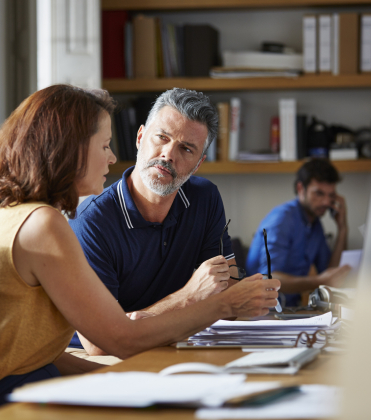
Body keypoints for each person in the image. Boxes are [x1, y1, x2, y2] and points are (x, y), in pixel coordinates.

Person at [0, 84, 279, 418]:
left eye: (185, 148)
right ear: (71, 149)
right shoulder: (43, 225)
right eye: (105, 145)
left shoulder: (5, 212)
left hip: (7, 387)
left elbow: (31, 352)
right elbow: (120, 340)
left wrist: (125, 378)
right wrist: (222, 304)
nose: (111, 157)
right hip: (0, 404)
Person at [69, 88, 243, 355]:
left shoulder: (205, 198)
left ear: (198, 164)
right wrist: (189, 297)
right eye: (162, 137)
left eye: (186, 149)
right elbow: (101, 343)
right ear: (140, 137)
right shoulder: (91, 222)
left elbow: (227, 289)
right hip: (102, 364)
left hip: (174, 347)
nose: (168, 155)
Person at [245, 158, 351, 307]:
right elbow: (268, 279)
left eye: (331, 195)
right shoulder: (282, 219)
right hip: (260, 312)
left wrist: (342, 228)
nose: (327, 202)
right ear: (301, 189)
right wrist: (319, 281)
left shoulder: (315, 224)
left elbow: (331, 273)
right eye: (319, 193)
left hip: (289, 310)